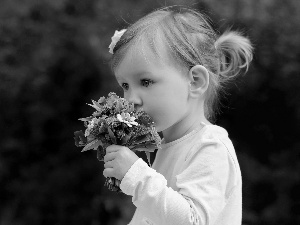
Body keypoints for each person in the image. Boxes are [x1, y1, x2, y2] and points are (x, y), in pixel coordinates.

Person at [103, 6, 253, 225]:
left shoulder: (210, 147)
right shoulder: (168, 145)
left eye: (145, 82)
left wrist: (136, 176)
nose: (131, 98)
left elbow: (193, 220)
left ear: (195, 82)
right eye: (125, 85)